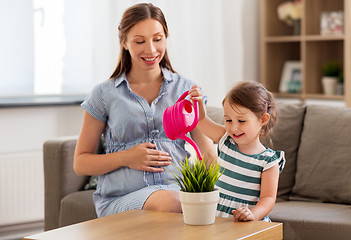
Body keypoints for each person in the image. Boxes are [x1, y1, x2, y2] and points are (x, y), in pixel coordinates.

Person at [73, 3, 215, 218]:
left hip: (177, 194)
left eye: (157, 39)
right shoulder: (103, 94)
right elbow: (81, 163)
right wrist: (126, 157)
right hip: (121, 198)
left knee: (187, 202)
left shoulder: (186, 90)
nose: (150, 49)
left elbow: (207, 152)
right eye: (140, 41)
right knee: (173, 202)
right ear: (125, 43)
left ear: (166, 38)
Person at [189, 81, 285, 222]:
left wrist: (253, 214)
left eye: (241, 121)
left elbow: (268, 199)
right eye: (228, 120)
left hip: (246, 222)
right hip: (218, 217)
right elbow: (202, 120)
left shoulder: (268, 161)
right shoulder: (225, 140)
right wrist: (199, 104)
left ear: (263, 119)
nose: (233, 128)